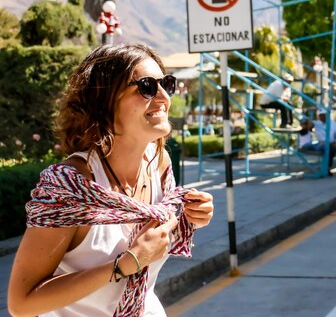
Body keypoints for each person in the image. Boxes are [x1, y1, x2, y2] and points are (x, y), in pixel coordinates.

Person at [8, 44, 214, 317]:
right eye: (146, 87)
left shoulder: (159, 164)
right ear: (105, 101)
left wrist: (194, 216)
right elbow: (21, 303)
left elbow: (151, 242)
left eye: (167, 83)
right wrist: (126, 263)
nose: (163, 96)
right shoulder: (71, 187)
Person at [301, 109, 336, 176]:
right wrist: (309, 119)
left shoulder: (332, 122)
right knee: (329, 151)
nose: (322, 117)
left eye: (323, 115)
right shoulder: (317, 123)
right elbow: (309, 127)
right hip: (323, 144)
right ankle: (328, 169)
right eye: (320, 116)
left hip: (333, 143)